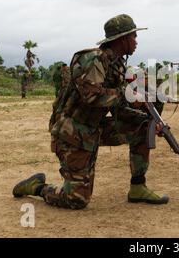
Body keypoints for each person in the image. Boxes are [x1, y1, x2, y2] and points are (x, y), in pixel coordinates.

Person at [13, 14, 169, 209]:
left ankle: (138, 187)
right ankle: (36, 186)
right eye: (133, 37)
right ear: (122, 39)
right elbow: (92, 97)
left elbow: (118, 107)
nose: (136, 41)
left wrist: (149, 119)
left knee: (144, 126)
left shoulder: (116, 65)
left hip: (93, 128)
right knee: (76, 200)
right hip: (72, 132)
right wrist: (128, 94)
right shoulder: (91, 60)